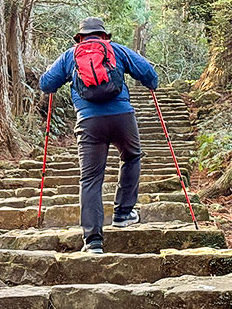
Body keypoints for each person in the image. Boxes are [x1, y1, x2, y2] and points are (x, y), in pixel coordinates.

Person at [39, 17, 159, 254]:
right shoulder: (117, 51)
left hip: (89, 122)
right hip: (122, 117)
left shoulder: (70, 56)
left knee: (90, 178)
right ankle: (123, 213)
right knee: (132, 156)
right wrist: (151, 82)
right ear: (104, 36)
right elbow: (148, 73)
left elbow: (46, 84)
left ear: (81, 37)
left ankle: (93, 241)